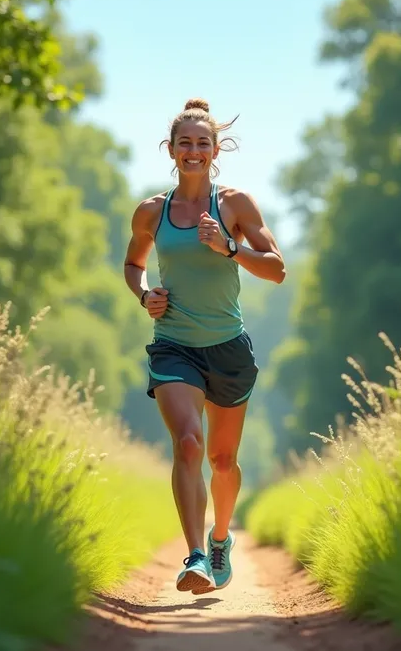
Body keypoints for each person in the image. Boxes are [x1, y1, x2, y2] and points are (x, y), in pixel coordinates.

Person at [124, 98, 285, 594]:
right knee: (188, 443)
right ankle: (194, 556)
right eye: (184, 143)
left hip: (227, 348)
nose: (193, 151)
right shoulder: (152, 211)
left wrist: (229, 248)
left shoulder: (235, 204)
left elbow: (276, 268)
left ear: (216, 150)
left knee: (221, 460)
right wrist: (145, 293)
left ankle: (220, 540)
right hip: (174, 344)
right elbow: (133, 265)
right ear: (170, 150)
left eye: (202, 143)